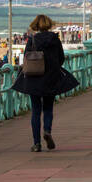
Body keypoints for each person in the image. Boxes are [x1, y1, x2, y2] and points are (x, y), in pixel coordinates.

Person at [13, 13, 66, 151]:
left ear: (35, 25)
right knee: (48, 108)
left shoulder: (33, 39)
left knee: (36, 110)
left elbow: (26, 58)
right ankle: (47, 131)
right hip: (51, 78)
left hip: (35, 77)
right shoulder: (55, 39)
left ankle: (36, 143)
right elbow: (61, 58)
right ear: (48, 24)